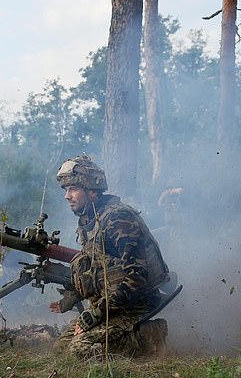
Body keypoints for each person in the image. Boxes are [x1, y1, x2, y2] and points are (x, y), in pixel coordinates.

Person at [50, 154, 171, 359]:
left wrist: (97, 313)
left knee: (79, 351)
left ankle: (150, 335)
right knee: (60, 350)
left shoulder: (118, 219)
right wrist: (74, 296)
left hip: (135, 302)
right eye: (65, 190)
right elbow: (96, 267)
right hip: (112, 304)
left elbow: (137, 279)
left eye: (73, 189)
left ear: (92, 192)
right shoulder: (90, 219)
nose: (67, 196)